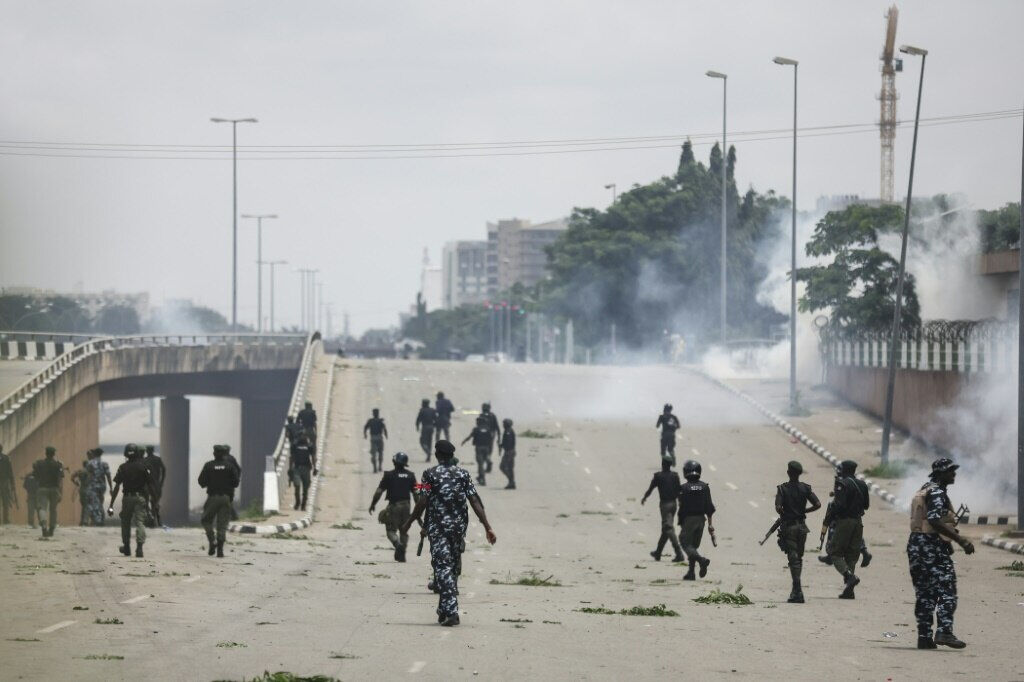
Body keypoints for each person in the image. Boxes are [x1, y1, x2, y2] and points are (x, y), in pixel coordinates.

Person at [402, 440, 496, 627]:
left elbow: (422, 501)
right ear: (452, 456)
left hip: (438, 529)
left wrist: (409, 522)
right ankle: (444, 609)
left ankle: (452, 611)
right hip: (458, 529)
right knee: (450, 568)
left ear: (437, 454)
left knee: (443, 567)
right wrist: (487, 526)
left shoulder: (429, 474)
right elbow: (474, 500)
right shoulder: (463, 474)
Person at [907, 458, 974, 649]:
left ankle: (924, 636)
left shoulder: (925, 488)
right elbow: (935, 520)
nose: (953, 474)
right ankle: (944, 631)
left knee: (925, 593)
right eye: (949, 471)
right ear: (939, 473)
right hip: (930, 545)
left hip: (917, 544)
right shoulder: (937, 492)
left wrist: (946, 543)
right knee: (947, 589)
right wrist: (961, 541)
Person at [774, 461, 822, 604]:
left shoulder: (783, 489)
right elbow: (818, 504)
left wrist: (783, 510)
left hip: (790, 527)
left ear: (788, 472)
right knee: (798, 559)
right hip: (802, 527)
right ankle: (796, 591)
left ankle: (797, 590)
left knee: (793, 559)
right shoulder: (805, 488)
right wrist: (803, 511)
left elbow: (778, 507)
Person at [827, 460, 869, 599]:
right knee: (852, 555)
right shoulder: (862, 484)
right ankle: (849, 590)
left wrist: (830, 516)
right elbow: (866, 505)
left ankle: (848, 576)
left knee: (835, 552)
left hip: (845, 521)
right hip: (858, 522)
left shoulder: (842, 484)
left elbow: (839, 505)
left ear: (844, 470)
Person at [107, 444, 156, 558]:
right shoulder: (143, 467)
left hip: (127, 498)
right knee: (140, 522)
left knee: (125, 522)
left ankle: (127, 547)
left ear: (125, 454)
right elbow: (150, 486)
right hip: (140, 498)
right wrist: (154, 502)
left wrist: (111, 505)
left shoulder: (122, 467)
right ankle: (139, 547)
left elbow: (117, 487)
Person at [368, 452, 417, 562]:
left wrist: (373, 504)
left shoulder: (388, 475)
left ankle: (397, 544)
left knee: (391, 531)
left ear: (394, 462)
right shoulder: (411, 475)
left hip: (394, 506)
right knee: (404, 530)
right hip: (406, 506)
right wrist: (418, 513)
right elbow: (416, 493)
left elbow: (379, 491)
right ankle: (402, 552)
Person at [198, 444, 240, 558]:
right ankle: (220, 550)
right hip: (226, 498)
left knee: (206, 520)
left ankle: (212, 541)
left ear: (214, 453)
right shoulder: (230, 466)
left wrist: (211, 481)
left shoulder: (209, 466)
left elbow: (201, 482)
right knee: (222, 524)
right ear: (225, 454)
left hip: (213, 497)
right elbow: (236, 482)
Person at [641, 455, 684, 563]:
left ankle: (679, 553)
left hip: (665, 505)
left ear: (662, 464)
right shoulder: (675, 476)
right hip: (674, 505)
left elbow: (650, 489)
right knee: (665, 529)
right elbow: (679, 490)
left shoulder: (658, 476)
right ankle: (658, 552)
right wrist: (681, 503)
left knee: (668, 528)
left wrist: (644, 498)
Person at [678, 459, 714, 580]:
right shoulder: (705, 487)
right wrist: (710, 525)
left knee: (685, 543)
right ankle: (691, 572)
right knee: (693, 546)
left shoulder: (683, 488)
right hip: (701, 520)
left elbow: (680, 505)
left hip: (689, 520)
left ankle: (701, 560)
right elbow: (709, 507)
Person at [32, 446, 64, 538]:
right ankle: (52, 529)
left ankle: (44, 526)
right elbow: (60, 480)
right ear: (54, 454)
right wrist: (61, 493)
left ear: (46, 453)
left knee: (42, 508)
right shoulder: (58, 465)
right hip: (54, 489)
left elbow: (35, 475)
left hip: (42, 488)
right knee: (53, 509)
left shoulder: (39, 463)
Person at [288, 433, 317, 511]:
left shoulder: (309, 446)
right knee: (297, 486)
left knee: (306, 488)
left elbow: (313, 457)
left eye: (304, 436)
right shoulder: (295, 445)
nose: (303, 437)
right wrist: (290, 468)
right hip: (297, 468)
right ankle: (298, 502)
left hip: (306, 468)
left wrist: (315, 468)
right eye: (302, 436)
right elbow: (292, 457)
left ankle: (303, 504)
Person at [461, 416, 492, 486]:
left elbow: (470, 436)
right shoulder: (488, 429)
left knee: (480, 464)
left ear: (480, 422)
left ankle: (483, 479)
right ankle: (481, 475)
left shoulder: (476, 429)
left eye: (477, 421)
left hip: (479, 448)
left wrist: (464, 441)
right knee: (482, 463)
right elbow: (491, 439)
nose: (476, 422)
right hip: (486, 448)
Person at [84, 448, 112, 527]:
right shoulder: (105, 464)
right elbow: (108, 476)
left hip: (93, 486)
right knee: (100, 502)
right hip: (102, 486)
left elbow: (87, 475)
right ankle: (101, 519)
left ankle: (98, 520)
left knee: (94, 503)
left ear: (94, 454)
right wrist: (111, 488)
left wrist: (86, 485)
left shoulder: (90, 463)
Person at [142, 446, 166, 526]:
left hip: (147, 484)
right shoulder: (157, 459)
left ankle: (151, 519)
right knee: (155, 502)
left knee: (146, 502)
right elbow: (164, 470)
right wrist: (161, 481)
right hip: (156, 484)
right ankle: (156, 519)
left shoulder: (145, 460)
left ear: (147, 451)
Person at [363, 408, 388, 473]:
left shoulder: (371, 421)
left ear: (373, 414)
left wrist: (365, 434)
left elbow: (365, 428)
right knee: (380, 453)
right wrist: (386, 435)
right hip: (379, 438)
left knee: (374, 453)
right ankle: (378, 467)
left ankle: (376, 468)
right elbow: (384, 429)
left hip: (373, 438)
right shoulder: (380, 421)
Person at [70, 458, 91, 526]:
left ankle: (82, 521)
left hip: (82, 489)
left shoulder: (80, 471)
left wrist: (76, 483)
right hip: (88, 489)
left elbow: (72, 477)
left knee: (84, 506)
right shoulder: (89, 472)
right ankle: (85, 521)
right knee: (87, 506)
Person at [480, 403, 499, 473]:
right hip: (491, 436)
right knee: (489, 451)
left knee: (483, 451)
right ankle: (488, 464)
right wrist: (499, 438)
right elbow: (497, 427)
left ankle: (488, 463)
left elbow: (479, 426)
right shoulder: (493, 416)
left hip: (483, 437)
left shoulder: (482, 416)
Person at [498, 418, 516, 490]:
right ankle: (511, 482)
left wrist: (502, 445)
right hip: (511, 451)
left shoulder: (508, 431)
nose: (503, 425)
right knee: (510, 468)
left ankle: (511, 481)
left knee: (503, 467)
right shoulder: (509, 430)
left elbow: (508, 443)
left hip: (509, 452)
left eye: (504, 424)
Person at [0, 444, 16, 525]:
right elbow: (10, 471)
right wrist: (12, 483)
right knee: (5, 501)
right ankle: (5, 519)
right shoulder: (6, 458)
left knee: (5, 501)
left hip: (4, 481)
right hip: (4, 482)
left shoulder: (6, 458)